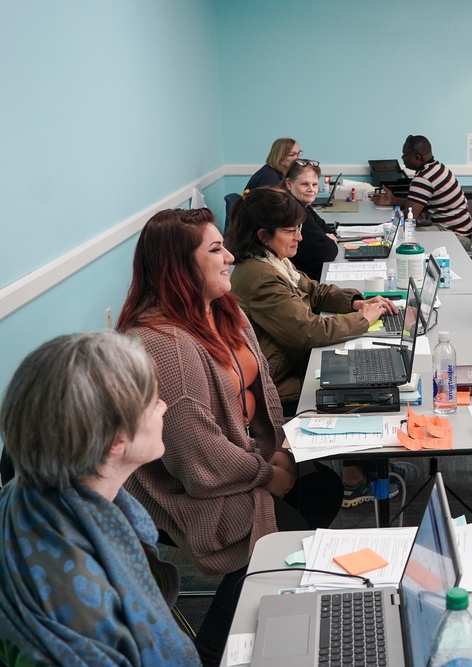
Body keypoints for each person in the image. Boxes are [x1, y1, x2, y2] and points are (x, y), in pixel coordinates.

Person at [116, 207, 344, 665]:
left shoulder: (223, 310)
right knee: (291, 540)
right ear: (179, 266)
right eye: (216, 249)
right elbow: (195, 459)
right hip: (182, 485)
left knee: (322, 487)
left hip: (237, 458)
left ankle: (257, 591)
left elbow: (260, 403)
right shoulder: (164, 343)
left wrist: (279, 452)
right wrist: (265, 474)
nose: (231, 257)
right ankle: (214, 649)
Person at [0, 332, 199, 666]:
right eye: (152, 402)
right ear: (115, 442)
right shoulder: (82, 612)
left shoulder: (21, 496)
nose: (163, 406)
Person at [225, 187, 402, 507]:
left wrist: (356, 301)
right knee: (355, 383)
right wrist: (363, 319)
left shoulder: (273, 262)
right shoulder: (260, 277)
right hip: (279, 379)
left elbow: (314, 291)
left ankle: (369, 464)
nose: (300, 238)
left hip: (292, 361)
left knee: (361, 367)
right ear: (264, 235)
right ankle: (357, 477)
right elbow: (307, 331)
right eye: (291, 231)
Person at [372, 135, 472, 249]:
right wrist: (393, 200)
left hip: (457, 237)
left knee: (404, 235)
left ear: (417, 158)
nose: (402, 157)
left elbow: (409, 219)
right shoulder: (437, 167)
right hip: (461, 231)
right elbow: (417, 203)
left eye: (405, 154)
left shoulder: (424, 178)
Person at [282, 157, 340, 280]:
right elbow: (327, 252)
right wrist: (327, 239)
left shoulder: (301, 205)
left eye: (314, 184)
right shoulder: (292, 210)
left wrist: (326, 237)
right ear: (289, 183)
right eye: (304, 184)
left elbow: (327, 230)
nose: (311, 189)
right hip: (304, 281)